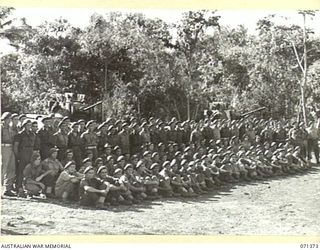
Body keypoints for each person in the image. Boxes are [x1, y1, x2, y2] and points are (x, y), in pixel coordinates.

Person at [13, 119, 36, 197]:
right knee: (20, 172)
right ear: (24, 125)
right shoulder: (19, 134)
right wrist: (17, 156)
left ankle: (28, 189)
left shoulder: (32, 134)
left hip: (30, 152)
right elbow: (16, 146)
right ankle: (19, 188)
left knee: (29, 171)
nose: (29, 127)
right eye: (27, 125)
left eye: (30, 125)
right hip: (23, 152)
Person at [1, 112, 17, 196]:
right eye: (7, 118)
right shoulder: (1, 128)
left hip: (11, 148)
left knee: (11, 168)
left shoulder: (11, 128)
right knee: (3, 168)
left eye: (9, 119)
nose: (8, 120)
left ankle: (8, 188)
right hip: (3, 147)